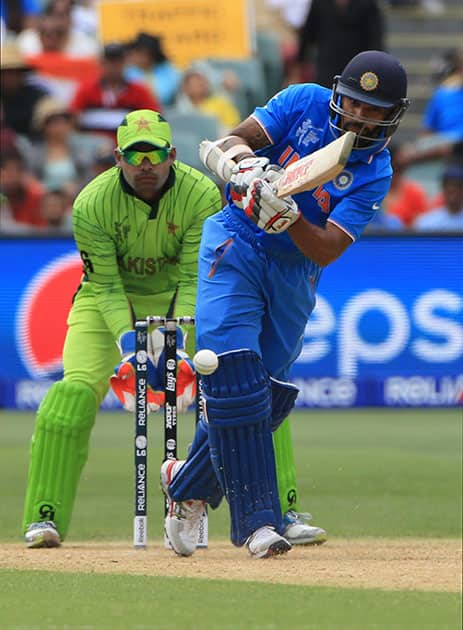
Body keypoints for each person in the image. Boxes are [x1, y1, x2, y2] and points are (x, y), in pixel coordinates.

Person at [160, 50, 410, 558]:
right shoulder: (304, 101)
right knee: (234, 377)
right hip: (235, 242)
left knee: (266, 398)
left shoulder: (374, 171)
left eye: (374, 111)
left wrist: (287, 214)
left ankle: (185, 485)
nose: (359, 116)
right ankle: (259, 524)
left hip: (296, 269)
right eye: (354, 103)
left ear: (392, 117)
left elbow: (326, 249)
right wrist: (246, 168)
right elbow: (234, 138)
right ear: (339, 93)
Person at [22, 109, 222, 548]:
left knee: (245, 385)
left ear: (172, 154)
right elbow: (107, 285)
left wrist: (178, 344)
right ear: (118, 157)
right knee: (70, 395)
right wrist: (133, 347)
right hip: (104, 303)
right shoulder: (91, 203)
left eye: (154, 155)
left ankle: (276, 514)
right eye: (135, 155)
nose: (145, 165)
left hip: (182, 300)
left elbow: (193, 276)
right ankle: (45, 515)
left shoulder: (203, 193)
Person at [70, 42, 162, 142]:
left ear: (125, 63)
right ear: (101, 63)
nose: (113, 66)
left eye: (118, 61)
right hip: (92, 147)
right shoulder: (86, 89)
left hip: (129, 147)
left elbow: (154, 119)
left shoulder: (139, 91)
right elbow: (73, 119)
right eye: (109, 61)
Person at [125, 32, 181, 107]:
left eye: (144, 54)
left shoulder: (167, 70)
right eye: (138, 52)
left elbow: (166, 94)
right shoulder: (127, 71)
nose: (140, 57)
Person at [413, 161, 463, 231]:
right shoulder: (426, 222)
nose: (453, 190)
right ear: (443, 188)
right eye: (448, 186)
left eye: (458, 186)